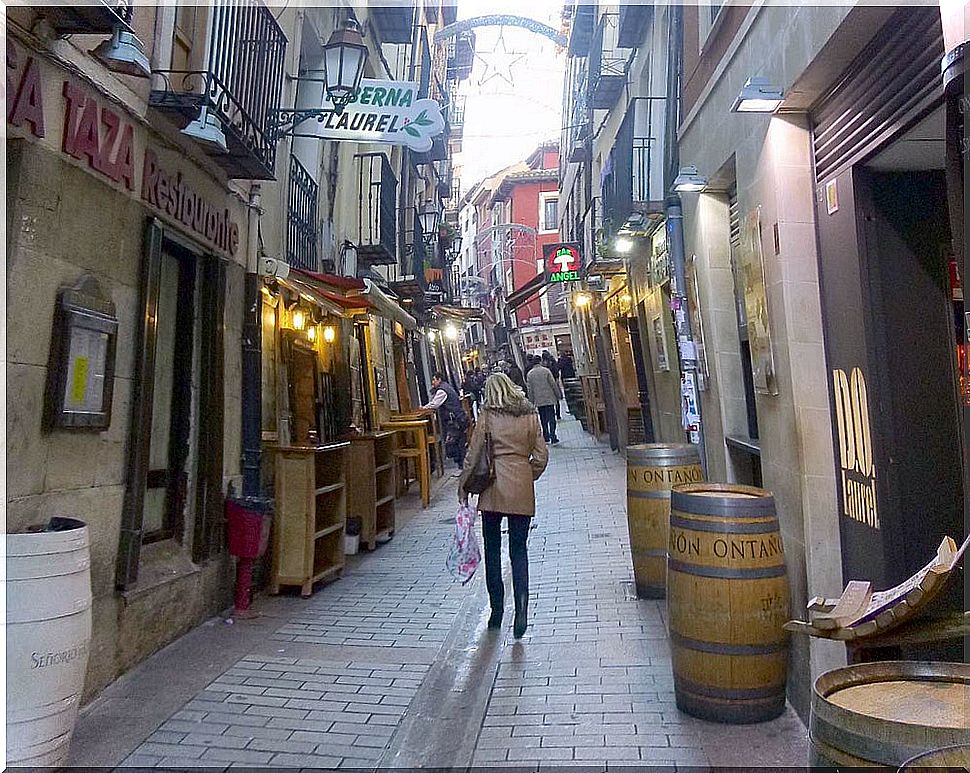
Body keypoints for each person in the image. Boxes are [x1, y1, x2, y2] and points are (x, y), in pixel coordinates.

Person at [459, 372, 548, 638]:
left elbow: (474, 454)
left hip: (493, 488)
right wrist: (525, 473)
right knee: (519, 550)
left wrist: (463, 485)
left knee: (493, 550)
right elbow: (541, 455)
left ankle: (497, 610)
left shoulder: (487, 416)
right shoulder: (530, 415)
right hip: (521, 488)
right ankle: (521, 608)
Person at [420, 372, 468, 469]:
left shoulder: (442, 390)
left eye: (434, 380)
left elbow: (434, 404)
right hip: (458, 418)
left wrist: (423, 408)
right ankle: (461, 466)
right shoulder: (447, 387)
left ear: (439, 379)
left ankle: (459, 467)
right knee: (458, 443)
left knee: (453, 444)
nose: (432, 382)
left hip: (453, 420)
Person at [526, 358, 563, 444]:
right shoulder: (546, 371)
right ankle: (553, 436)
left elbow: (530, 389)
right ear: (540, 361)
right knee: (551, 417)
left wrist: (531, 401)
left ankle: (546, 436)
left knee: (543, 419)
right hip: (549, 398)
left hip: (539, 400)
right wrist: (558, 395)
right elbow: (553, 384)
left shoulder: (530, 374)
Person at [541, 351, 561, 419]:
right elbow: (556, 370)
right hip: (554, 380)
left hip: (548, 382)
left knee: (551, 398)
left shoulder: (544, 364)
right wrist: (557, 379)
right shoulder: (552, 361)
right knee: (556, 398)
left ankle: (552, 413)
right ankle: (558, 414)